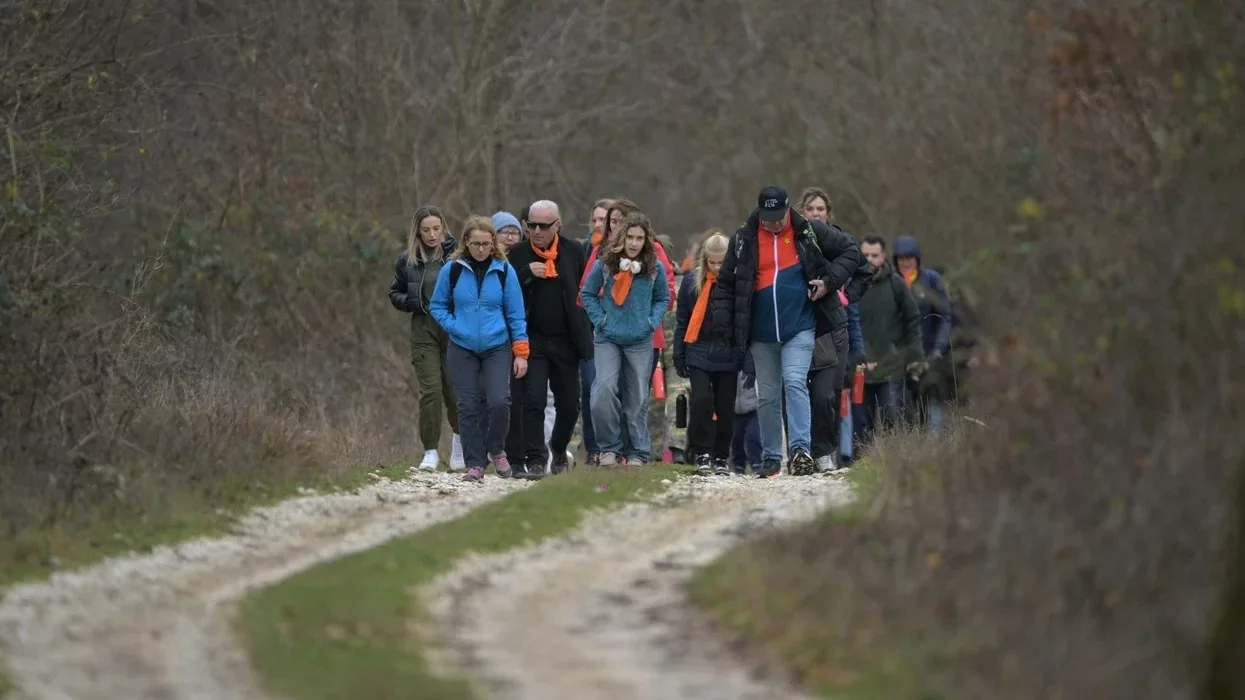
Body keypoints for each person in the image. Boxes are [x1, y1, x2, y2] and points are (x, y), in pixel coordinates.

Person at [709, 186, 865, 478]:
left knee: (794, 382)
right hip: (761, 332)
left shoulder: (808, 231)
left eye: (778, 218)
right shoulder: (744, 238)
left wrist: (829, 283)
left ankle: (800, 450)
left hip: (800, 326)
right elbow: (727, 283)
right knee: (767, 395)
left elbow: (851, 251)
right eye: (767, 218)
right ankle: (771, 456)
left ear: (788, 209)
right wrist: (722, 323)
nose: (773, 223)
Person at [429, 216, 530, 481]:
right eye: (476, 244)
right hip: (461, 347)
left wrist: (521, 353)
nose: (481, 249)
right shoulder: (452, 270)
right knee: (467, 405)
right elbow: (437, 306)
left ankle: (496, 449)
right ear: (466, 242)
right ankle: (475, 462)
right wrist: (454, 326)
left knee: (499, 401)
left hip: (497, 345)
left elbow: (516, 315)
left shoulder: (504, 271)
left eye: (486, 244)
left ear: (493, 243)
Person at [580, 198, 675, 461]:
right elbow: (587, 293)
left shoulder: (654, 268)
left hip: (640, 339)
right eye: (630, 237)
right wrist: (601, 320)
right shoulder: (605, 263)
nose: (634, 243)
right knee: (603, 391)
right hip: (608, 338)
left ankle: (638, 452)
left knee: (638, 398)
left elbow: (663, 298)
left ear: (646, 240)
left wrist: (651, 322)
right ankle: (609, 447)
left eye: (639, 238)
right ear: (622, 237)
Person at [507, 199, 593, 478]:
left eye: (543, 226)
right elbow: (507, 294)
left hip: (566, 340)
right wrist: (527, 275)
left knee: (569, 404)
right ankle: (535, 458)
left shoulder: (574, 250)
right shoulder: (518, 254)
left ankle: (558, 448)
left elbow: (585, 290)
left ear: (558, 226)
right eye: (531, 225)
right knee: (533, 401)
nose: (536, 231)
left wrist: (587, 327)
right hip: (532, 339)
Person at [388, 205, 464, 472]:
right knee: (430, 391)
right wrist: (410, 302)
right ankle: (430, 451)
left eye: (436, 229)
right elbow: (394, 292)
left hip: (452, 328)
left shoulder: (457, 257)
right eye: (426, 230)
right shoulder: (407, 261)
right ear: (417, 232)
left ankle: (459, 444)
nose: (432, 235)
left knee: (454, 391)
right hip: (423, 329)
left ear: (443, 228)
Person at [799, 186, 871, 472]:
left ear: (828, 214)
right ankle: (800, 452)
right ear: (801, 212)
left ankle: (825, 452)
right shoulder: (795, 241)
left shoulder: (842, 242)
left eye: (820, 209)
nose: (815, 214)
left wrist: (846, 296)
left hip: (833, 327)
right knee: (796, 391)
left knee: (826, 395)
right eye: (810, 209)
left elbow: (864, 272)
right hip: (800, 325)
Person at [673, 232, 737, 476]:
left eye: (722, 262)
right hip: (698, 350)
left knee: (725, 408)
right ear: (705, 260)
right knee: (701, 401)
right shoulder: (691, 284)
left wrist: (745, 355)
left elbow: (743, 321)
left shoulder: (737, 283)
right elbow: (682, 321)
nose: (717, 268)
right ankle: (703, 452)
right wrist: (679, 354)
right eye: (713, 262)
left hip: (728, 353)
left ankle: (721, 455)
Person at [854, 235, 924, 446]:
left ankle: (894, 461)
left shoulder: (896, 284)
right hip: (859, 370)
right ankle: (860, 462)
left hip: (892, 367)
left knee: (893, 420)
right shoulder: (851, 285)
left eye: (874, 255)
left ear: (883, 256)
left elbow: (913, 320)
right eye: (865, 255)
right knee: (861, 429)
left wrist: (914, 355)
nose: (869, 259)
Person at [893, 235, 953, 431]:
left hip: (929, 353)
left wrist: (939, 348)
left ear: (917, 259)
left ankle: (934, 441)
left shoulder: (931, 280)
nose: (905, 263)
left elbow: (945, 317)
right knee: (901, 404)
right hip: (899, 357)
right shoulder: (892, 282)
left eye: (909, 258)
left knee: (932, 401)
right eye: (901, 259)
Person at [575, 198, 614, 465]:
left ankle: (617, 446)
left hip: (618, 328)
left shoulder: (626, 251)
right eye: (596, 219)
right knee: (590, 388)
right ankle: (594, 447)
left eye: (604, 220)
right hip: (588, 329)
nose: (599, 224)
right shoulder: (583, 250)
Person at [729, 355, 761, 475]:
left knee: (753, 435)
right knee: (736, 438)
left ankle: (757, 462)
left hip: (753, 406)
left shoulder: (753, 359)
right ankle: (738, 464)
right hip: (734, 407)